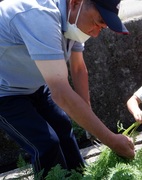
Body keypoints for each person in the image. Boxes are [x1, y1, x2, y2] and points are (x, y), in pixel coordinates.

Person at [0, 0, 135, 178]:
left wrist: (89, 117)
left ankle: (82, 175)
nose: (95, 34)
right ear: (75, 3)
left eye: (102, 28)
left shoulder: (73, 21)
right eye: (97, 22)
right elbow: (61, 93)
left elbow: (78, 68)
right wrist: (111, 140)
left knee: (63, 127)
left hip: (34, 84)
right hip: (5, 92)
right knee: (46, 144)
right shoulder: (39, 16)